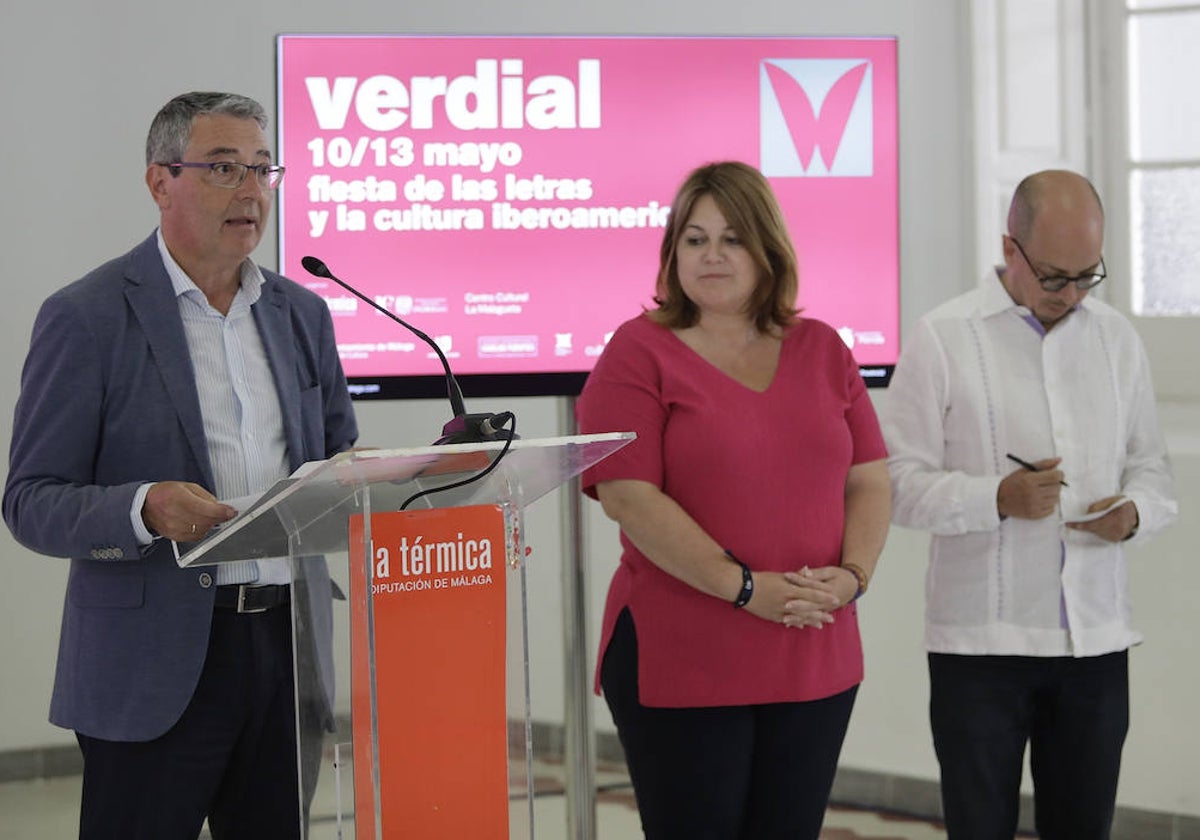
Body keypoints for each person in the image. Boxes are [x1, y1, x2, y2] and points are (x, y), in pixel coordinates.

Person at [3, 92, 358, 839]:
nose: (252, 190)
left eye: (264, 169)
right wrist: (143, 508)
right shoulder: (88, 316)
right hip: (152, 664)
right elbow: (31, 500)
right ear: (160, 182)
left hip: (285, 651)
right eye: (224, 168)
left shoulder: (302, 313)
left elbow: (336, 461)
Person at [575, 160, 891, 839]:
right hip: (683, 650)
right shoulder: (637, 352)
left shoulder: (824, 348)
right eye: (694, 239)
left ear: (766, 248)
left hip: (811, 643)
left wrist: (854, 578)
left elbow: (868, 476)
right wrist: (747, 589)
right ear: (672, 253)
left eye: (731, 238)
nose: (712, 255)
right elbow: (631, 497)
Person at [883, 169, 1178, 839]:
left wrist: (1133, 513)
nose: (1071, 295)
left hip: (1096, 643)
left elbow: (1152, 469)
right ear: (1009, 248)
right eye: (1053, 278)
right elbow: (897, 482)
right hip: (979, 646)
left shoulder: (1115, 340)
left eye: (1087, 276)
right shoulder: (943, 337)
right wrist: (996, 497)